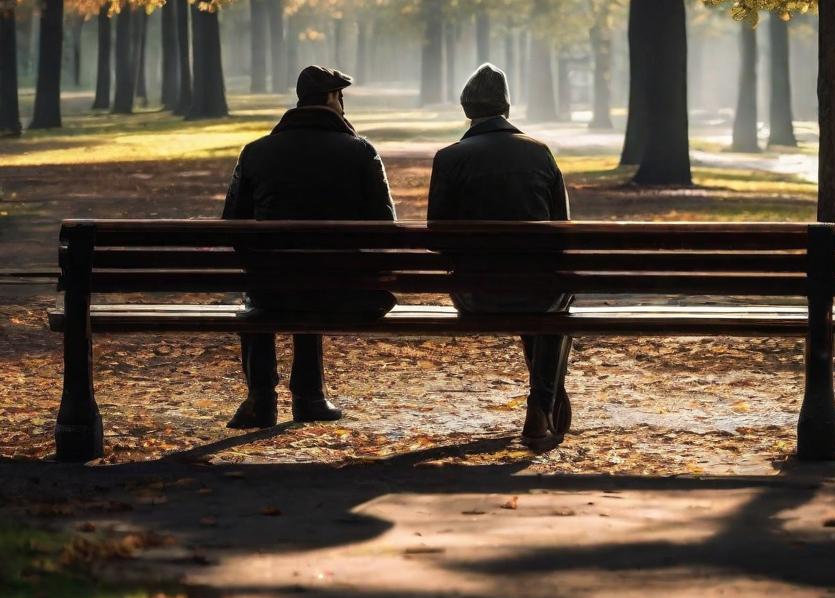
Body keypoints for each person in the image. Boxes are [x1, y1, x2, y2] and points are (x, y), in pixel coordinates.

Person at [223, 65, 396, 429]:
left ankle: (260, 398)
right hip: (341, 292)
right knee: (316, 276)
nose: (344, 104)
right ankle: (309, 395)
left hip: (273, 290)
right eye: (341, 96)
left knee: (273, 279)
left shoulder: (256, 152)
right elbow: (385, 228)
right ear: (332, 99)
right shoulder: (361, 152)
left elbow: (233, 225)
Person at [427, 63, 573, 452]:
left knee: (536, 291)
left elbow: (437, 237)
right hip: (538, 294)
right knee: (552, 298)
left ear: (466, 109)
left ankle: (543, 399)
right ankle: (542, 400)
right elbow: (561, 230)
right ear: (506, 107)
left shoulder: (449, 157)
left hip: (476, 293)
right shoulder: (540, 154)